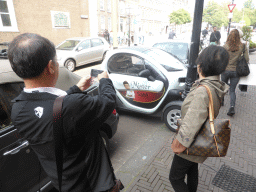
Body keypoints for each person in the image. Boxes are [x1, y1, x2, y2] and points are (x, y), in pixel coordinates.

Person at [8, 33, 118, 192]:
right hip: (91, 185)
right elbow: (108, 101)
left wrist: (76, 89)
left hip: (63, 184)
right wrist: (104, 80)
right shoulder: (72, 106)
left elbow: (51, 108)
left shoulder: (17, 109)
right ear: (50, 67)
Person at [169, 45, 229, 192]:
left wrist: (179, 144)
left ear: (201, 65)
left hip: (190, 141)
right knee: (191, 169)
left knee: (175, 178)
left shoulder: (203, 90)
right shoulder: (214, 85)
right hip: (199, 142)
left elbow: (191, 123)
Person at [221, 29, 249, 116]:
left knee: (223, 87)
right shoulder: (242, 46)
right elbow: (247, 59)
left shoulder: (225, 46)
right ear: (239, 36)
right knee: (232, 90)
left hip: (225, 70)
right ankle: (232, 107)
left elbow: (221, 58)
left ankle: (221, 101)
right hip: (236, 71)